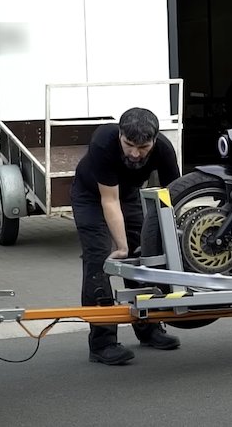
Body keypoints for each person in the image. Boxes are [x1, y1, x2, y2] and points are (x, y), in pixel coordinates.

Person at [70, 107, 181, 365]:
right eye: (129, 144)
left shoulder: (164, 150)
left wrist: (175, 238)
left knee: (143, 255)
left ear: (154, 140)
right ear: (120, 135)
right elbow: (109, 201)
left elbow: (174, 196)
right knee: (99, 260)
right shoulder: (103, 141)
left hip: (128, 194)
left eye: (143, 147)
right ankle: (102, 343)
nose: (134, 153)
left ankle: (149, 327)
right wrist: (120, 247)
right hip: (90, 197)